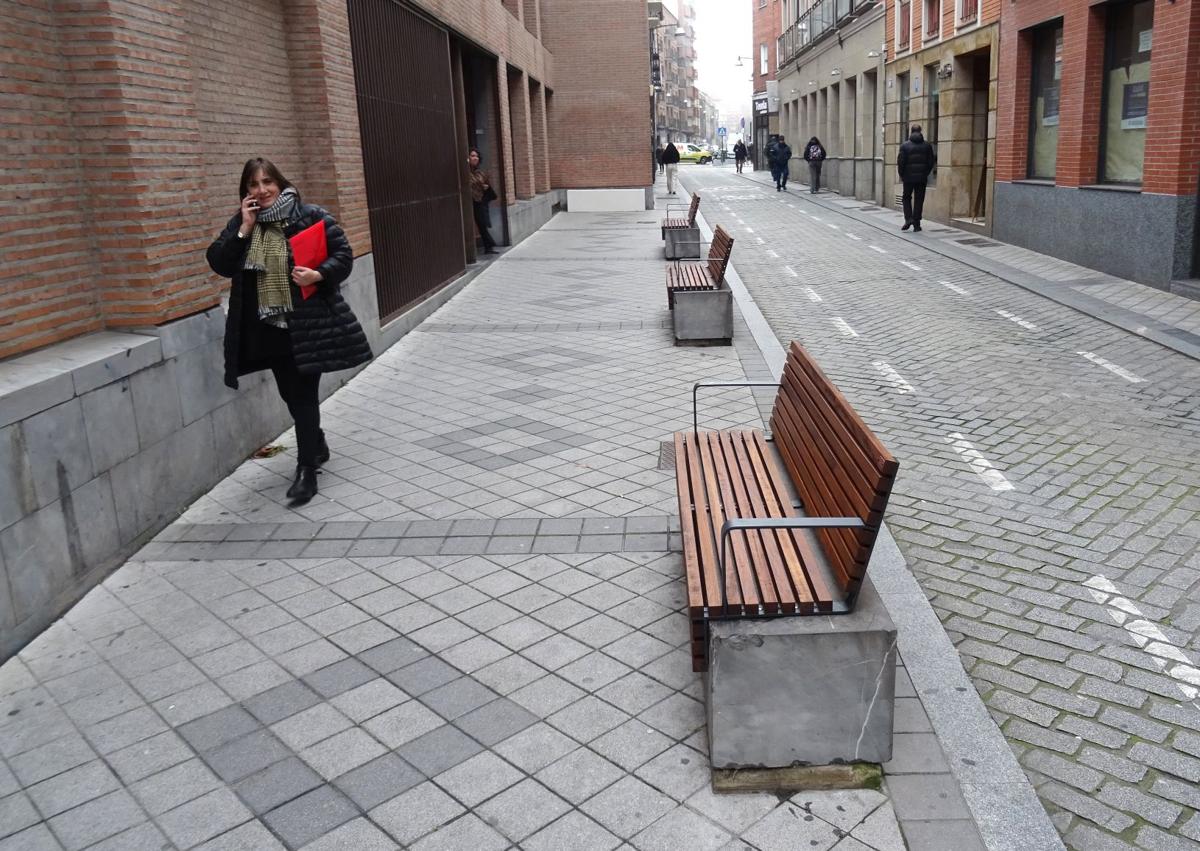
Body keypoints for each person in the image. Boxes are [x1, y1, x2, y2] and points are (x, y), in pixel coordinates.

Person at [207, 157, 372, 504]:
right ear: (245, 191)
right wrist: (244, 228)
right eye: (253, 184)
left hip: (305, 324)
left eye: (268, 181)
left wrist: (319, 274)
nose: (262, 189)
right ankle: (317, 439)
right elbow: (220, 262)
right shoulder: (243, 224)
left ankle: (306, 470)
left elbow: (343, 255)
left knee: (304, 396)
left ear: (280, 183)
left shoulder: (310, 216)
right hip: (268, 329)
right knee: (291, 396)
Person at [897, 124, 935, 231]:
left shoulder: (904, 146)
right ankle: (917, 224)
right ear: (920, 131)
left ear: (911, 131)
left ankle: (908, 219)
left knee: (906, 197)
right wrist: (925, 173)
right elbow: (931, 162)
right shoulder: (927, 146)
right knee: (919, 199)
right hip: (921, 178)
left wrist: (902, 175)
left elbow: (901, 162)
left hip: (908, 178)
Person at [468, 148, 498, 254]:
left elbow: (487, 184)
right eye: (472, 156)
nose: (475, 158)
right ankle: (489, 244)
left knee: (482, 224)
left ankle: (488, 246)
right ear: (467, 158)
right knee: (479, 224)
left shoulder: (480, 172)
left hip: (480, 202)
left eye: (476, 156)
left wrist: (486, 187)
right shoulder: (465, 172)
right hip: (469, 202)